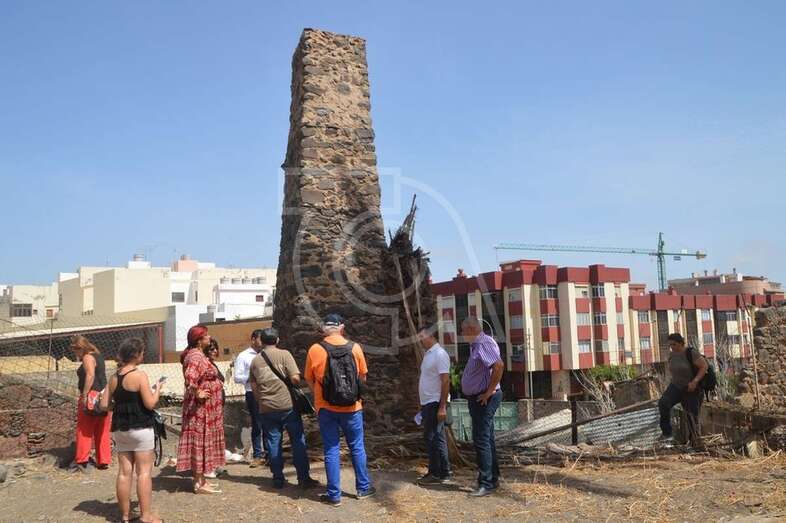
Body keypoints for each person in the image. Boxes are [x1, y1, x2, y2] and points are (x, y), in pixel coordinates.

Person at [305, 313, 375, 507]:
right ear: (341, 328)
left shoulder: (315, 349)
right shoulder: (356, 348)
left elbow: (309, 379)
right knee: (357, 447)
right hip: (353, 407)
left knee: (331, 449)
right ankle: (363, 488)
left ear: (323, 329)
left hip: (326, 408)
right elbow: (363, 378)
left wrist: (321, 395)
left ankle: (334, 495)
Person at [100, 338, 163, 523]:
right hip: (141, 428)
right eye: (142, 352)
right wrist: (157, 389)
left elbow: (104, 405)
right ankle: (146, 516)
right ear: (136, 354)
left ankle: (125, 516)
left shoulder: (114, 377)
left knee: (124, 472)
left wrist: (119, 406)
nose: (143, 355)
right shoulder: (140, 375)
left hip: (120, 429)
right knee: (144, 472)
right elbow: (150, 403)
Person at [249, 327, 318, 489]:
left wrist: (262, 402)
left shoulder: (255, 361)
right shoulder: (284, 354)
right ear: (277, 340)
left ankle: (278, 478)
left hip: (267, 407)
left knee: (273, 442)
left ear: (262, 341)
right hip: (287, 405)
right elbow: (294, 378)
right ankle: (303, 477)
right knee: (297, 441)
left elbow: (254, 387)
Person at [176, 325, 225, 494]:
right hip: (200, 411)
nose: (209, 337)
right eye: (206, 335)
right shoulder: (196, 357)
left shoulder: (197, 354)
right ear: (199, 340)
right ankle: (198, 483)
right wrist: (198, 393)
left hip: (207, 410)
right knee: (200, 441)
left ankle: (202, 480)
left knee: (205, 441)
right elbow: (190, 379)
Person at [460, 316, 504, 497]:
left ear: (470, 329)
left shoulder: (484, 343)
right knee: (487, 438)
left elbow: (499, 365)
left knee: (481, 439)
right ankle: (492, 478)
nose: (462, 335)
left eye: (463, 331)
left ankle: (486, 482)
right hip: (480, 398)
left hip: (484, 399)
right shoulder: (477, 345)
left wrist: (489, 391)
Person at [416, 327, 452, 485]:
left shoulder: (440, 354)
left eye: (422, 337)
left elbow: (445, 380)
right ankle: (444, 471)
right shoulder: (428, 354)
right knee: (437, 437)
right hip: (427, 402)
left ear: (431, 336)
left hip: (435, 402)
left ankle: (436, 472)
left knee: (432, 437)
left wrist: (442, 406)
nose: (420, 340)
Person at [658, 333, 708, 446]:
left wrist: (695, 382)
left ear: (681, 343)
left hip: (691, 388)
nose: (672, 347)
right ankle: (667, 433)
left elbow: (704, 366)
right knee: (663, 403)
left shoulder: (691, 353)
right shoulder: (672, 355)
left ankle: (694, 443)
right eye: (670, 345)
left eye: (674, 344)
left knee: (691, 416)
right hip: (676, 386)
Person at [71, 335, 111, 471]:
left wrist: (84, 395)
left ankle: (82, 459)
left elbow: (90, 375)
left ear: (79, 348)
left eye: (75, 350)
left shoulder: (87, 357)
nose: (75, 354)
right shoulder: (98, 355)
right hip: (104, 395)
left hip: (91, 396)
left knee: (84, 429)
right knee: (103, 429)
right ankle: (103, 460)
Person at [204, 339, 243, 479]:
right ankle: (208, 467)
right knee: (210, 436)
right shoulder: (204, 364)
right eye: (211, 349)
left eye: (215, 348)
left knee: (216, 435)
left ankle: (216, 461)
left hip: (217, 406)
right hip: (210, 407)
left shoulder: (212, 364)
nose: (214, 351)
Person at [233, 329, 267, 467]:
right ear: (253, 339)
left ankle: (269, 454)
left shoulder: (266, 354)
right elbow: (237, 377)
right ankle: (258, 455)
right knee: (257, 423)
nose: (262, 342)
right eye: (260, 339)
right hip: (252, 392)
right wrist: (253, 377)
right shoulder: (244, 356)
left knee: (269, 423)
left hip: (268, 392)